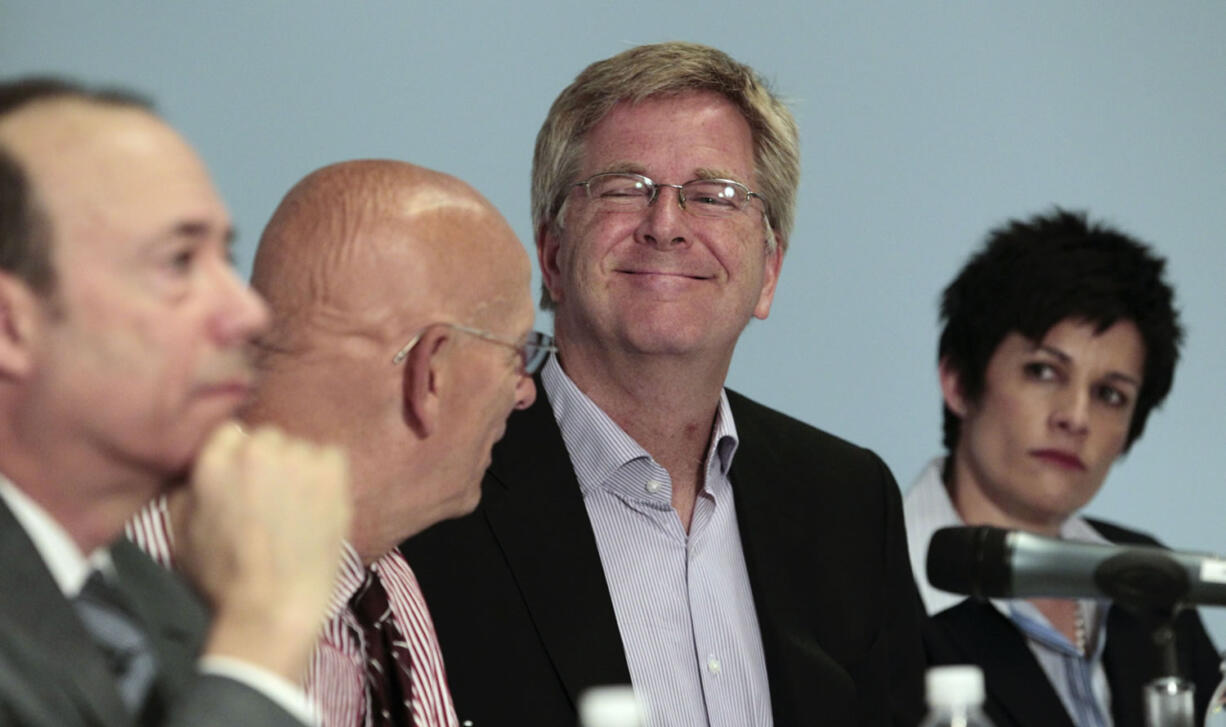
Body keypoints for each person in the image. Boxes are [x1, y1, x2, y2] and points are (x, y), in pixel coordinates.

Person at [402, 41, 926, 727]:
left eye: (716, 196)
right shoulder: (432, 499)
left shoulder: (849, 503)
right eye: (625, 187)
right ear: (553, 256)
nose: (667, 225)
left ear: (768, 272)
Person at [128, 159, 544, 727]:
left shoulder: (385, 577)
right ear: (432, 372)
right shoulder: (142, 569)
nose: (524, 393)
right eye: (515, 354)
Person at [0, 77, 350, 726]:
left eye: (227, 255)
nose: (246, 312)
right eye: (179, 261)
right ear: (11, 326)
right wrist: (263, 639)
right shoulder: (242, 618)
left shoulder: (154, 602)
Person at [905, 209, 1221, 727]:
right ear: (959, 382)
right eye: (1044, 371)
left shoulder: (1152, 579)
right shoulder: (870, 583)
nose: (1076, 418)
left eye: (1110, 395)